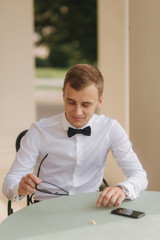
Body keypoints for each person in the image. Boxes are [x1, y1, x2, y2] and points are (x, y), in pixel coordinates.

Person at [2, 64, 148, 207]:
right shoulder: (39, 131)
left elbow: (139, 175)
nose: (77, 112)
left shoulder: (111, 129)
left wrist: (122, 189)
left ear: (99, 101)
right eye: (71, 102)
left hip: (90, 208)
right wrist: (20, 188)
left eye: (85, 105)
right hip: (46, 208)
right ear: (63, 95)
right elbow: (9, 183)